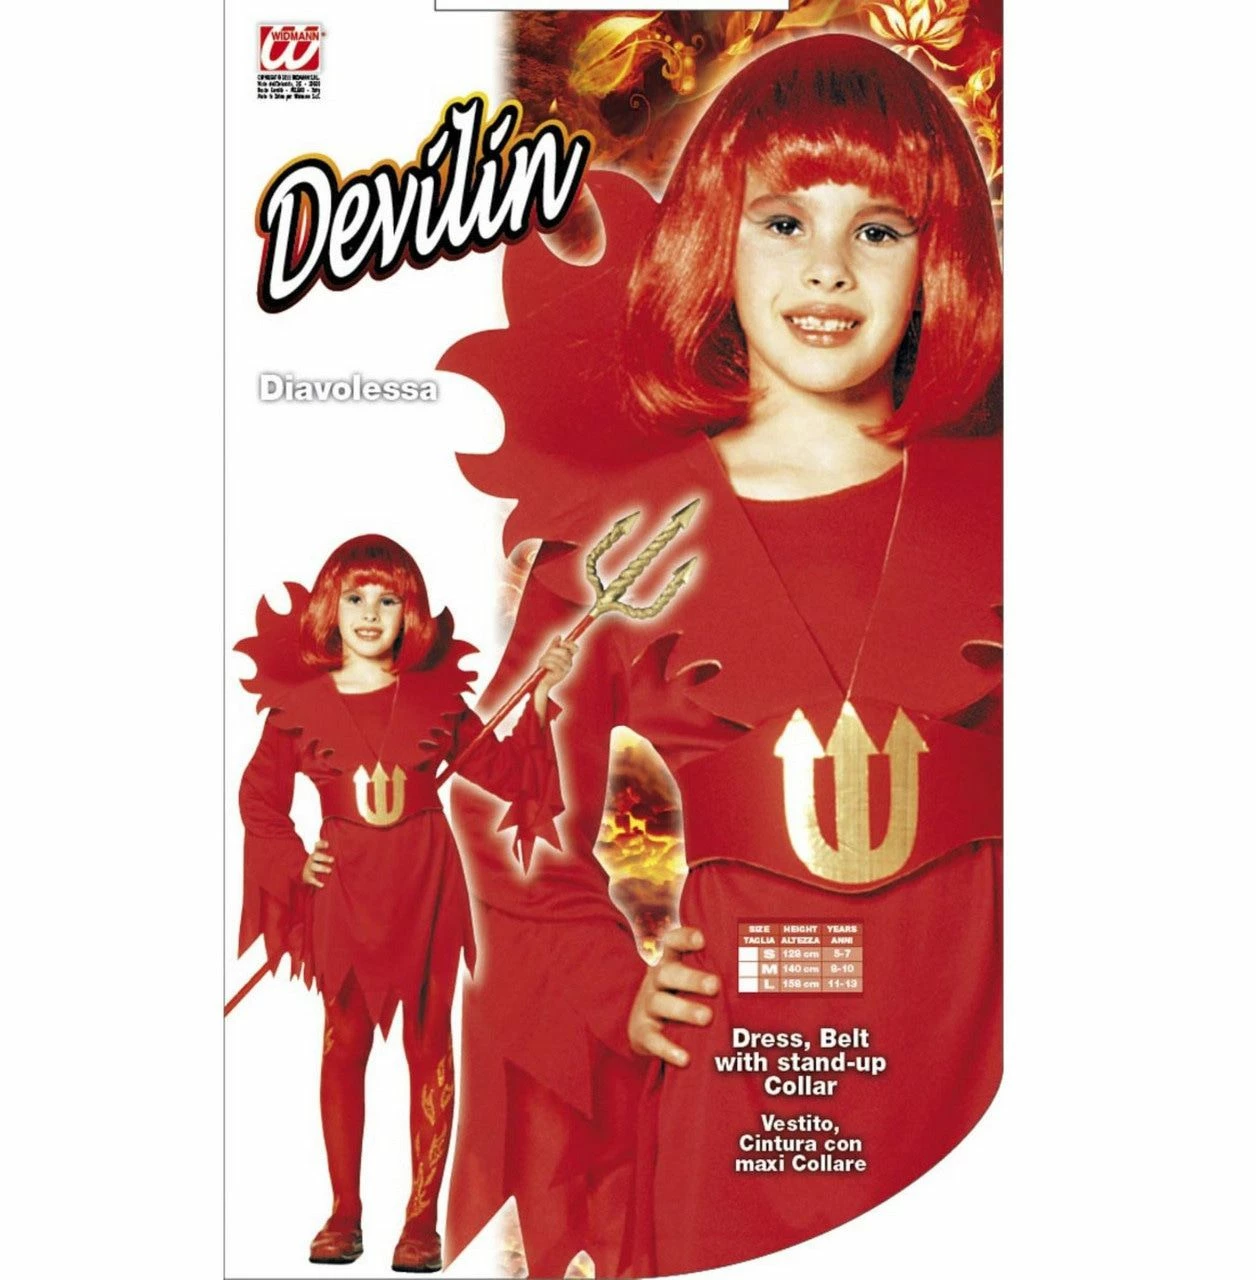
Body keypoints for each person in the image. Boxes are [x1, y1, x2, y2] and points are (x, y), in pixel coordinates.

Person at [441, 32, 1002, 1276]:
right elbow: (498, 808)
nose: (827, 268)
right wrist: (611, 989)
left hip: (982, 1083)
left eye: (878, 229)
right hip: (738, 1108)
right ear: (715, 237)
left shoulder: (1023, 508)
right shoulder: (617, 537)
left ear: (937, 259)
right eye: (783, 221)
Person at [235, 534, 575, 1271]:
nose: (369, 613)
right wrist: (294, 861)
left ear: (408, 612)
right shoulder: (296, 706)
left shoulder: (436, 700)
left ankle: (421, 1221)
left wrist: (542, 698)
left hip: (426, 887)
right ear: (331, 608)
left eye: (387, 600)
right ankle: (344, 1212)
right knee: (344, 1044)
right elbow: (258, 798)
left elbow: (509, 775)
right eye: (355, 598)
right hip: (345, 890)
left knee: (430, 1046)